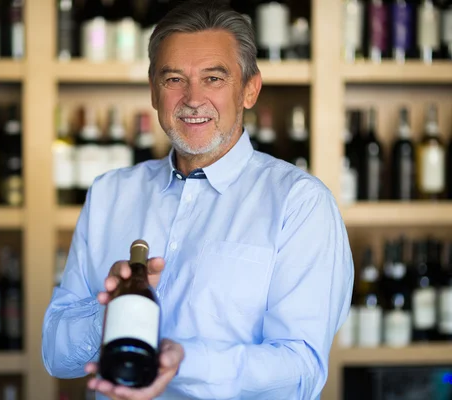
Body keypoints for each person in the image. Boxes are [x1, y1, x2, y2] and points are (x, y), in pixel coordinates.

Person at [42, 1, 354, 399]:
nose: (192, 98)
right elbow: (55, 355)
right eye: (174, 79)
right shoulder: (109, 194)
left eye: (213, 79)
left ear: (249, 90)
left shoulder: (301, 204)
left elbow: (301, 368)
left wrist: (183, 361)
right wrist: (113, 310)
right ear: (154, 91)